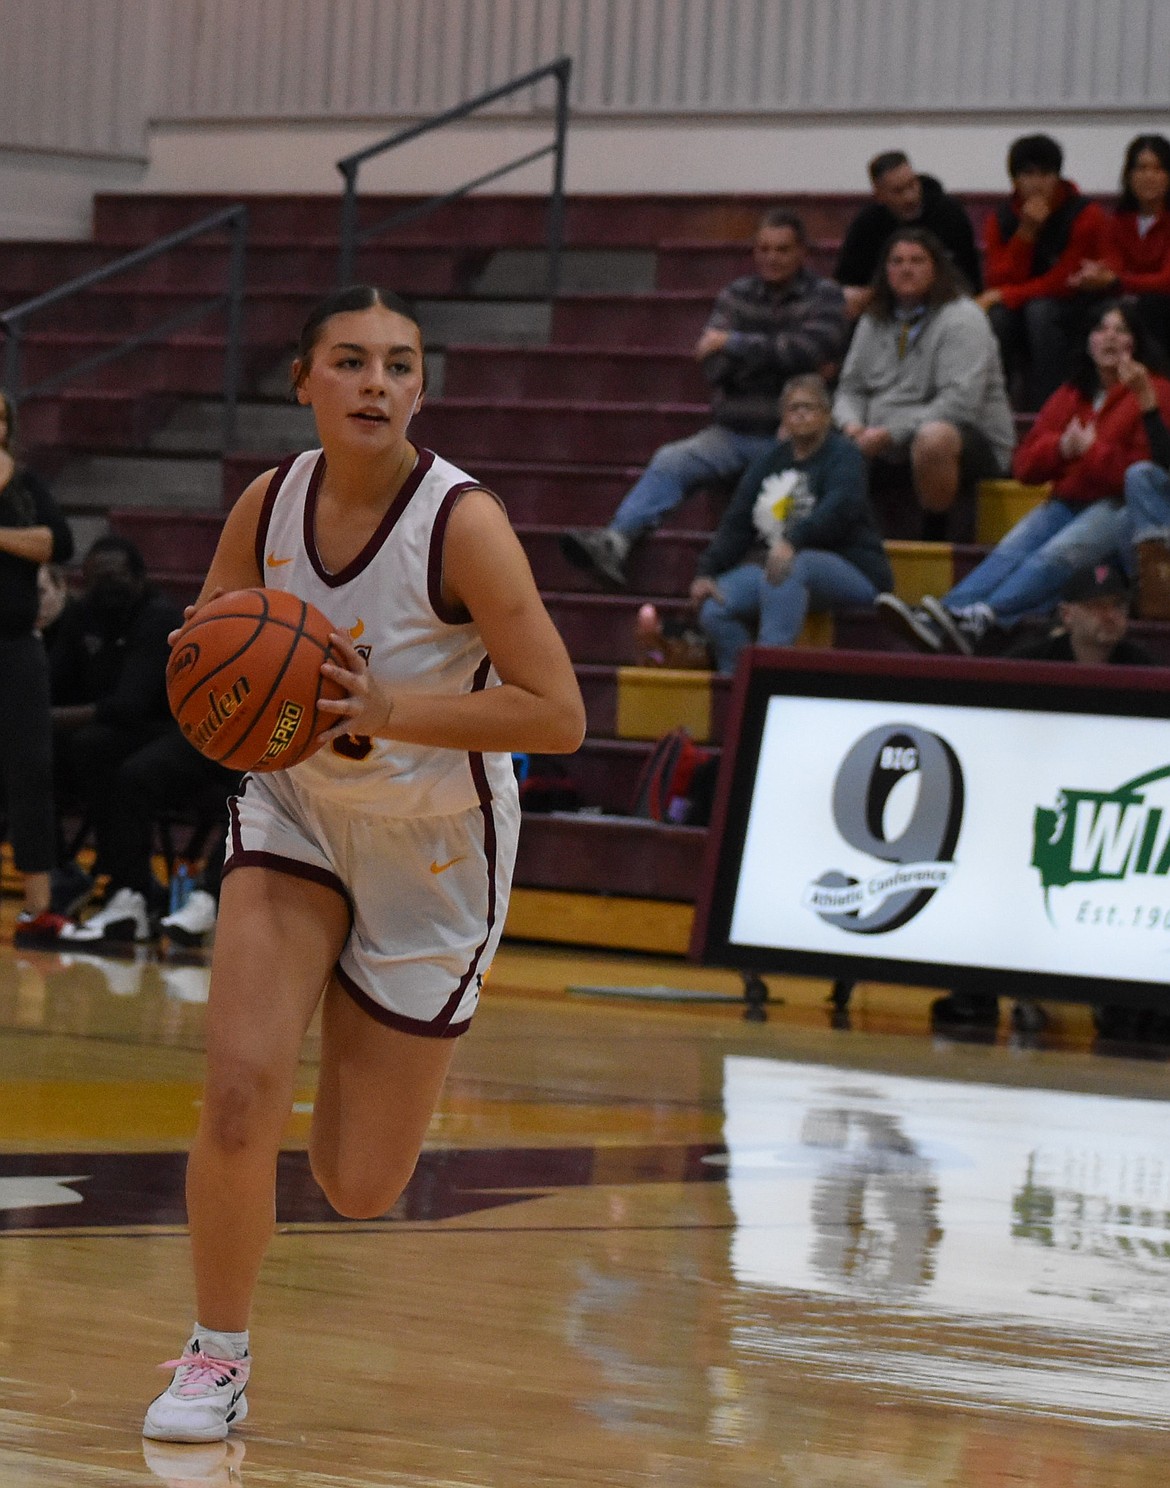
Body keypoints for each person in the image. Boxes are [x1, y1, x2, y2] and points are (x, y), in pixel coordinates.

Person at [142, 285, 585, 1443]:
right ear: (306, 383)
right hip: (295, 813)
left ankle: (361, 989)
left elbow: (559, 715)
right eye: (351, 361)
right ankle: (216, 1358)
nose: (377, 383)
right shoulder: (267, 501)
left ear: (421, 390)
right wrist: (230, 695)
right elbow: (211, 652)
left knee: (358, 1184)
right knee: (238, 1092)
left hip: (434, 851)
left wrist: (389, 704)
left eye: (400, 364)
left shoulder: (463, 524)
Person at [559, 209, 848, 587]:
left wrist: (737, 345)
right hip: (733, 429)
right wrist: (778, 359)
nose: (771, 258)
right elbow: (714, 366)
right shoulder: (737, 294)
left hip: (791, 436)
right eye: (763, 249)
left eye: (781, 249)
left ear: (802, 252)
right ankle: (616, 541)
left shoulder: (824, 296)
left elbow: (810, 350)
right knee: (673, 458)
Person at [877, 300, 1170, 655]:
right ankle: (946, 614)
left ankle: (985, 616)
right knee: (1011, 549)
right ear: (1088, 340)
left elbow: (1145, 474)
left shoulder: (1155, 391)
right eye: (1101, 329)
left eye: (1121, 330)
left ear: (1136, 342)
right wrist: (1061, 449)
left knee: (1055, 555)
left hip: (1119, 507)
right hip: (1070, 500)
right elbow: (1025, 466)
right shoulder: (1071, 393)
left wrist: (1090, 453)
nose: (1109, 338)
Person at [47, 535, 238, 945]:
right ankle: (83, 876)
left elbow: (129, 706)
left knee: (130, 774)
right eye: (96, 576)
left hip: (184, 731)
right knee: (65, 752)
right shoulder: (83, 616)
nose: (105, 584)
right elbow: (55, 683)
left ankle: (145, 890)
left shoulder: (157, 619)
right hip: (119, 734)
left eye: (114, 576)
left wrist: (43, 718)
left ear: (138, 578)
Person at [689, 374, 891, 672]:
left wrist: (792, 541)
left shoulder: (845, 456)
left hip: (853, 569)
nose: (801, 414)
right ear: (783, 416)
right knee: (715, 606)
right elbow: (737, 521)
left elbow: (839, 509)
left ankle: (769, 671)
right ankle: (738, 679)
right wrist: (707, 571)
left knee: (789, 566)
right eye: (793, 408)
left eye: (809, 407)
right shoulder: (769, 461)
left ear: (827, 415)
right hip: (781, 565)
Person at [832, 228, 1015, 541]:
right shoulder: (873, 318)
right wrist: (852, 427)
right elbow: (851, 388)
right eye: (897, 261)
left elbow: (959, 403)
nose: (906, 268)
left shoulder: (963, 317)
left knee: (933, 438)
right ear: (885, 270)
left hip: (966, 439)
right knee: (801, 427)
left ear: (936, 268)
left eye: (917, 260)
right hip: (879, 436)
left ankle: (935, 538)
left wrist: (891, 433)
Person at [0, 390, 76, 948]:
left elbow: (60, 542)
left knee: (31, 770)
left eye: (0, 416)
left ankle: (39, 909)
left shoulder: (25, 486)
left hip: (15, 648)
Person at [978, 133, 1112, 408]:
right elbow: (998, 279)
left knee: (1040, 311)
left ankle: (1049, 408)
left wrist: (1005, 294)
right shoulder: (1001, 218)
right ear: (1015, 180)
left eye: (1047, 174)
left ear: (1058, 177)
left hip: (1075, 303)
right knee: (998, 317)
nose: (1038, 183)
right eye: (1029, 174)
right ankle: (993, 407)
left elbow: (1064, 281)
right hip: (1025, 306)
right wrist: (1026, 233)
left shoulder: (1085, 214)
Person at [834, 150, 982, 320]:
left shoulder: (949, 214)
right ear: (879, 195)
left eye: (912, 185)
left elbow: (968, 279)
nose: (910, 197)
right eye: (898, 191)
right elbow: (846, 280)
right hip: (883, 309)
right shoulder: (867, 223)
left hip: (943, 304)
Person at [1072, 134, 1170, 357]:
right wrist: (1096, 277)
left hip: (1161, 306)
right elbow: (1113, 268)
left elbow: (1166, 281)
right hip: (1125, 300)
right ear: (1129, 175)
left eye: (1158, 169)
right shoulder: (1116, 222)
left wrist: (1117, 281)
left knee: (1153, 305)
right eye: (1141, 169)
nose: (1149, 176)